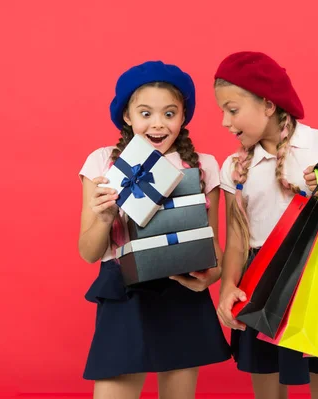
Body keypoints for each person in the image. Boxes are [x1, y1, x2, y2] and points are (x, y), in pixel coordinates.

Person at [215, 51, 318, 399]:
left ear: (268, 105)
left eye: (233, 109)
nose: (225, 121)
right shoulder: (234, 167)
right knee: (268, 384)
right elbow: (236, 239)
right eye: (222, 110)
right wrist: (227, 289)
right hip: (260, 284)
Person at [78, 61, 231, 399]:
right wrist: (104, 219)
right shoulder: (103, 162)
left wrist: (210, 276)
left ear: (183, 117)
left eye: (169, 113)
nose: (158, 123)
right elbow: (88, 253)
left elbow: (214, 249)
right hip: (124, 290)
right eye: (145, 113)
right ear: (127, 117)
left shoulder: (203, 166)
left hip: (180, 293)